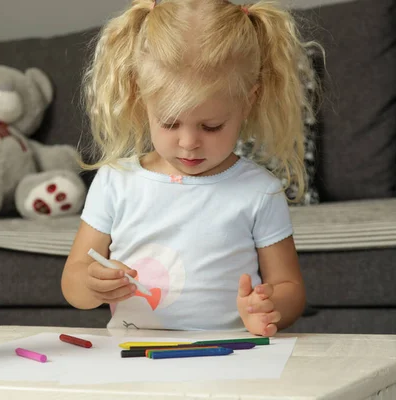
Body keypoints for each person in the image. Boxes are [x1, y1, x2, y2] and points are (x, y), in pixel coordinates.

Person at [62, 0, 317, 337]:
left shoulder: (259, 191)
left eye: (211, 126)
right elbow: (73, 280)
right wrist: (92, 284)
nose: (188, 143)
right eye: (169, 123)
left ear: (248, 101)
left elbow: (289, 287)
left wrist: (269, 308)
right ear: (140, 98)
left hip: (230, 357)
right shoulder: (116, 181)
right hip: (135, 361)